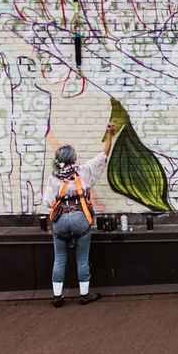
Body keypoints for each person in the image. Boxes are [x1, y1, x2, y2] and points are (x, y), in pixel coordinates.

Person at [43, 123, 116, 307]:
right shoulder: (83, 172)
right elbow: (104, 155)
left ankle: (57, 297)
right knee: (82, 259)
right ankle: (84, 295)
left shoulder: (53, 178)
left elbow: (48, 202)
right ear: (73, 158)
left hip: (60, 221)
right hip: (80, 220)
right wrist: (109, 134)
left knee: (59, 259)